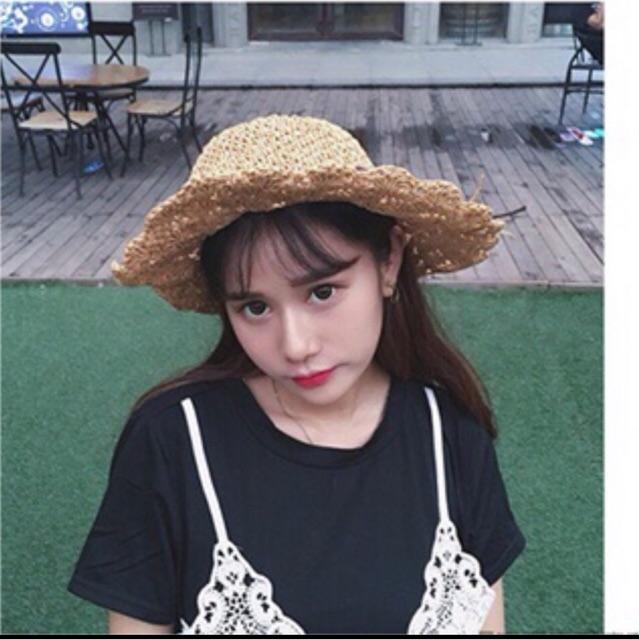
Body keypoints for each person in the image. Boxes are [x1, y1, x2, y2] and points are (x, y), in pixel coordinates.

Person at [67, 114, 526, 635]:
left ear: (389, 261)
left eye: (322, 292)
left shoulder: (451, 430)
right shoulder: (172, 440)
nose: (296, 346)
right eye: (255, 307)